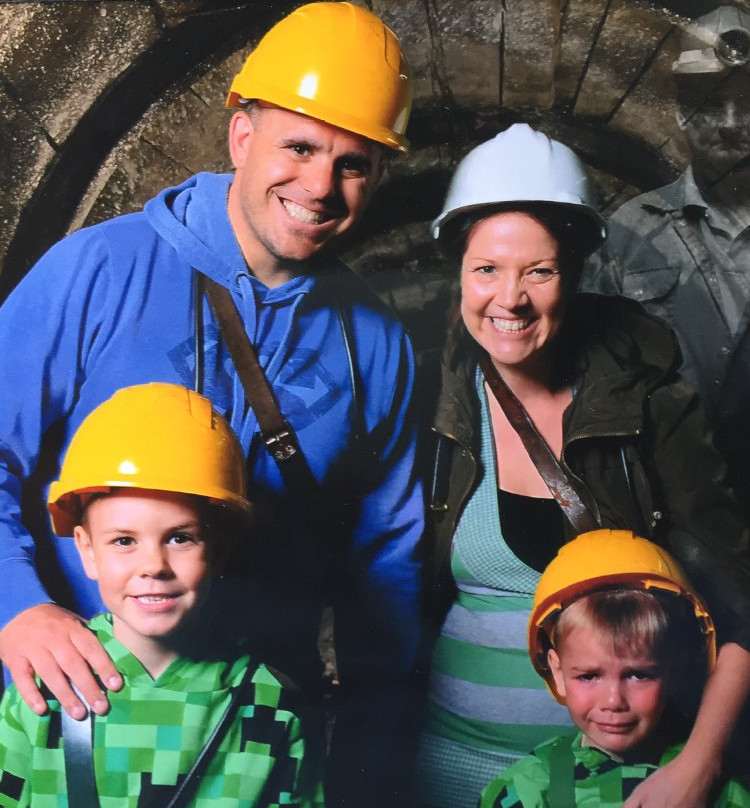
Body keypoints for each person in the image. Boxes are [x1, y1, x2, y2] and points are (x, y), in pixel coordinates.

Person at [0, 4, 422, 805]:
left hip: (256, 739)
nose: (320, 186)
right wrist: (14, 608)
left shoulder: (377, 342)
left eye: (354, 164)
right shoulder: (96, 273)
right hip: (80, 721)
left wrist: (368, 750)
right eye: (299, 147)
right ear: (241, 135)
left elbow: (385, 563)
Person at [417, 123, 750, 808]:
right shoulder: (436, 399)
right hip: (452, 767)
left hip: (614, 787)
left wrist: (699, 764)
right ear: (458, 272)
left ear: (575, 273)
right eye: (487, 269)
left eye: (538, 270)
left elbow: (742, 604)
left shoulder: (651, 404)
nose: (509, 299)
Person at [0, 382, 323, 807]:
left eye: (180, 538)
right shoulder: (40, 691)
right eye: (123, 541)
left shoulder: (273, 705)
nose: (153, 565)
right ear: (86, 550)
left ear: (219, 548)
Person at [580, 5, 750, 505]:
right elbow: (590, 386)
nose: (730, 123)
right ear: (680, 110)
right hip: (679, 506)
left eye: (748, 102)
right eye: (709, 103)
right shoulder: (631, 231)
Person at [480, 530, 750, 808]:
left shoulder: (718, 792)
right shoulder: (527, 788)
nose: (613, 701)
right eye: (589, 676)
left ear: (675, 671)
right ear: (558, 673)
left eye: (638, 674)